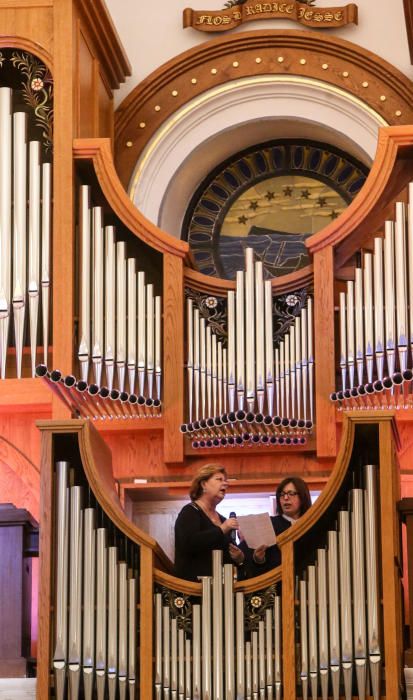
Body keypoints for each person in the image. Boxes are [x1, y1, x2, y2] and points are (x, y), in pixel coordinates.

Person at [174, 463, 246, 581]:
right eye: (219, 479)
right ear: (203, 484)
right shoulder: (190, 511)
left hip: (222, 589)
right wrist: (222, 529)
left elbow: (228, 555)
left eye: (226, 480)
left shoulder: (223, 520)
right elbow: (188, 543)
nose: (225, 483)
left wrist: (239, 558)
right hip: (193, 588)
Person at [243, 476, 312, 576]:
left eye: (291, 493)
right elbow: (251, 564)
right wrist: (258, 559)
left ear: (303, 496)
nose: (285, 498)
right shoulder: (268, 524)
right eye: (282, 494)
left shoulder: (311, 523)